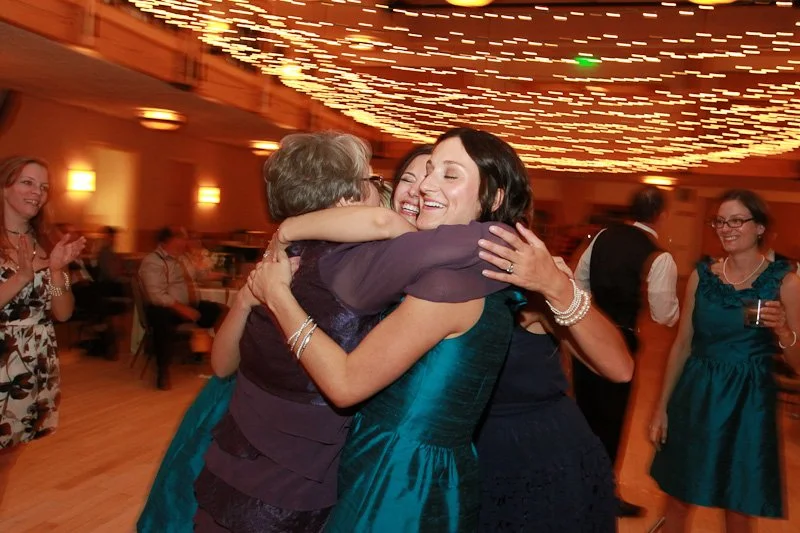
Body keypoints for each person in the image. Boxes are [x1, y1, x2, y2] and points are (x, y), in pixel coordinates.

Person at [286, 142, 633, 532]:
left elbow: (618, 368)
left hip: (526, 457)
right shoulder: (389, 264)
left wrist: (557, 287)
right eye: (412, 178)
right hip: (428, 467)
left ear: (491, 198)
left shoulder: (511, 270)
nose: (422, 188)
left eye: (446, 176)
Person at [649, 189, 800, 533]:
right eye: (719, 221)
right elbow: (682, 344)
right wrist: (662, 408)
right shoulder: (703, 277)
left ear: (759, 227)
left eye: (736, 221)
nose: (725, 228)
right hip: (696, 394)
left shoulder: (786, 283)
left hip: (749, 402)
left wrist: (783, 329)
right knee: (677, 495)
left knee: (738, 504)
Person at [573, 185, 680, 516]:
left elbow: (579, 283)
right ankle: (603, 494)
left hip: (588, 337)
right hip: (621, 342)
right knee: (612, 421)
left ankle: (578, 486)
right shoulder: (658, 255)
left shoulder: (602, 235)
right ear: (661, 215)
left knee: (584, 415)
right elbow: (664, 313)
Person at [0, 156, 85, 508]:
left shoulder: (44, 241)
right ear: (4, 185)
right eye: (27, 182)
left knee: (9, 454)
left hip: (33, 360)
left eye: (44, 186)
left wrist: (56, 270)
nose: (37, 192)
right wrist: (20, 277)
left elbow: (63, 313)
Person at [138, 226, 225, 390]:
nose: (185, 242)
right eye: (180, 238)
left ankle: (212, 356)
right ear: (166, 241)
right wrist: (181, 308)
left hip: (187, 305)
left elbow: (199, 275)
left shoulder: (182, 258)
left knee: (222, 312)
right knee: (160, 318)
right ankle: (162, 371)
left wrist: (221, 274)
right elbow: (157, 295)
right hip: (164, 307)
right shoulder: (153, 261)